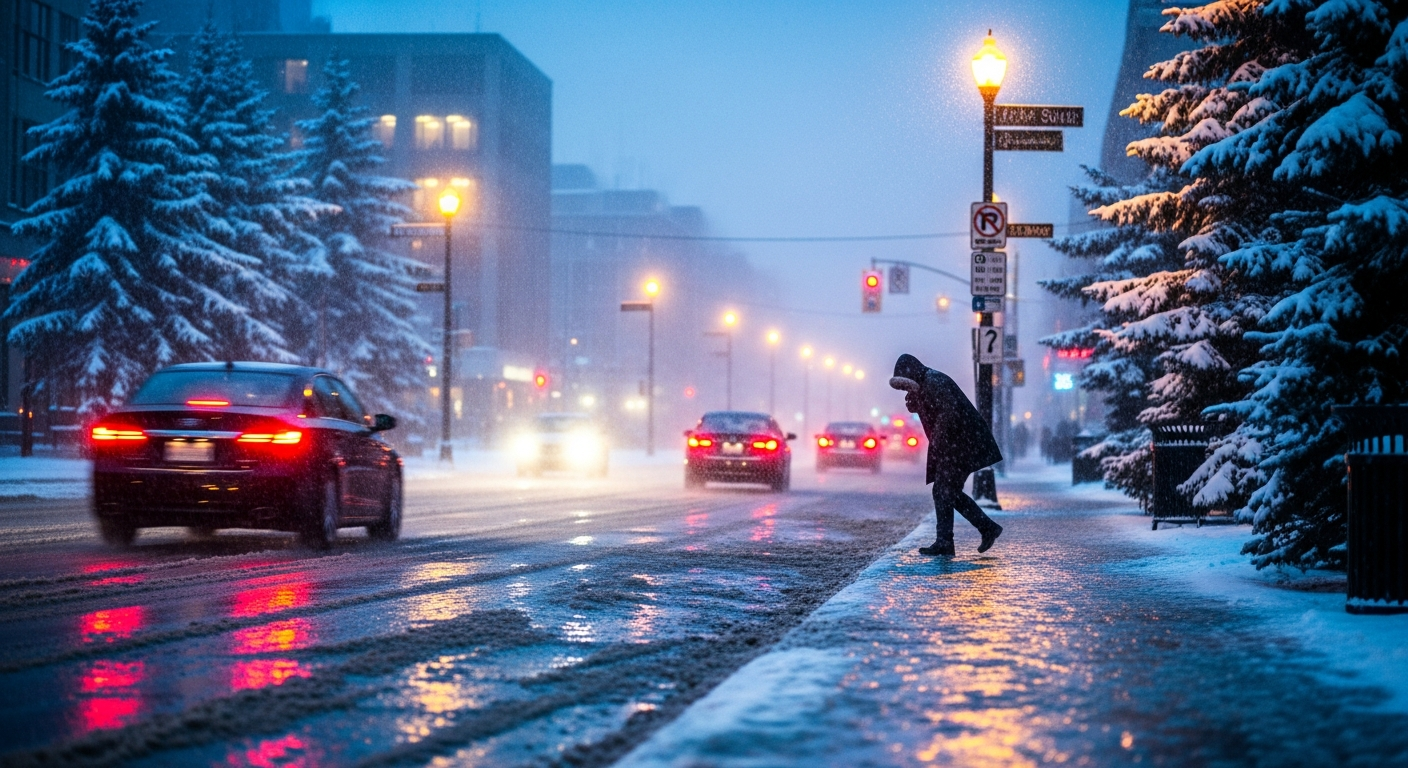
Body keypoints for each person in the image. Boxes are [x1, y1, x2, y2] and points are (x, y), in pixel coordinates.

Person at [889, 354, 1003, 556]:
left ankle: (947, 541)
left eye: (906, 386)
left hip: (961, 445)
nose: (906, 390)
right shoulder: (926, 383)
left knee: (943, 491)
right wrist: (917, 404)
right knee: (948, 492)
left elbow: (948, 412)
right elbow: (937, 409)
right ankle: (984, 528)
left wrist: (938, 440)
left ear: (911, 375)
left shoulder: (933, 381)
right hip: (957, 445)